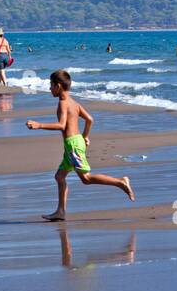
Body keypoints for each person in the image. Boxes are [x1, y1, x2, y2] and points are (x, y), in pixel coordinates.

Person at [27, 69, 134, 221]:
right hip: (75, 142)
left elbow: (62, 125)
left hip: (72, 145)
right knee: (59, 176)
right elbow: (90, 119)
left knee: (86, 178)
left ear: (58, 86)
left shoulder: (63, 104)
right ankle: (61, 211)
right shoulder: (74, 103)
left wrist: (39, 125)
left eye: (50, 85)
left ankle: (120, 182)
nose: (49, 88)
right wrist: (84, 137)